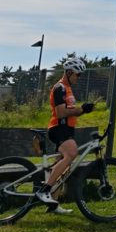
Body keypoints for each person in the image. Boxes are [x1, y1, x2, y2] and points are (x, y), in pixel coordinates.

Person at [35, 56, 95, 210]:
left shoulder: (68, 90)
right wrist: (81, 109)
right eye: (77, 74)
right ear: (68, 72)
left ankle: (53, 204)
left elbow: (70, 111)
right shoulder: (59, 88)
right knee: (72, 153)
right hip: (58, 128)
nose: (79, 77)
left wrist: (83, 110)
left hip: (67, 129)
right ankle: (45, 190)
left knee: (62, 166)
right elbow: (61, 112)